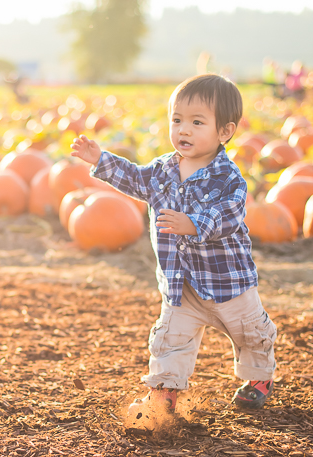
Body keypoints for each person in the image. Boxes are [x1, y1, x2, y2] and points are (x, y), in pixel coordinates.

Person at [70, 74, 278, 430]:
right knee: (170, 339)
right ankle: (165, 392)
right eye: (177, 119)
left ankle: (258, 378)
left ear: (224, 132)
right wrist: (100, 160)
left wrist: (194, 224)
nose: (184, 129)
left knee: (250, 333)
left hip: (228, 282)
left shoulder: (228, 177)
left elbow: (228, 214)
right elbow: (134, 178)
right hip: (181, 285)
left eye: (197, 122)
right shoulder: (164, 169)